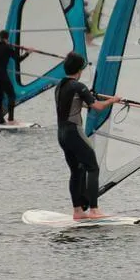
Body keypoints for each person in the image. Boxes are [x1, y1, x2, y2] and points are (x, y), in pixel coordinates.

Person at [55, 52, 119, 219]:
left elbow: (79, 104)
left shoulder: (60, 86)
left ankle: (77, 211)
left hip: (61, 134)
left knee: (76, 171)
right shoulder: (79, 86)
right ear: (79, 70)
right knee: (92, 167)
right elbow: (97, 107)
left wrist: (89, 96)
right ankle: (94, 210)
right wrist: (113, 100)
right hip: (74, 132)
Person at [0, 30, 33, 125]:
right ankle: (11, 119)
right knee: (12, 95)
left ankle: (0, 120)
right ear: (7, 38)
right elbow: (18, 60)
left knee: (0, 96)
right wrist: (27, 53)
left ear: (0, 37)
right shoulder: (8, 48)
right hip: (2, 75)